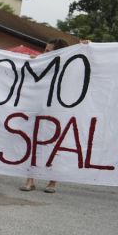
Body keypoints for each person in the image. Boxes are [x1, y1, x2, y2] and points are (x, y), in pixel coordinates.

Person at [21, 38, 71, 193]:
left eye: (49, 51)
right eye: (45, 50)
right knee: (33, 141)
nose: (45, 53)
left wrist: (87, 48)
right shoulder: (40, 63)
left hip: (58, 109)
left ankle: (53, 180)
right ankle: (30, 179)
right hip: (39, 107)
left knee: (54, 145)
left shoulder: (69, 65)